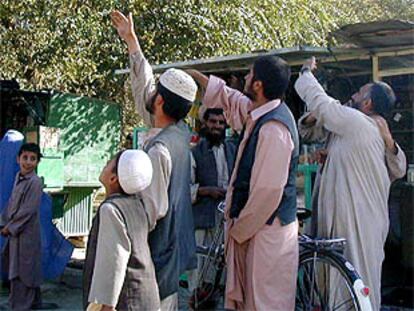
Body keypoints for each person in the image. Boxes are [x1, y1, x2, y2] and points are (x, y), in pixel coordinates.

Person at [187, 55, 299, 310]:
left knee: (265, 301)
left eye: (249, 75)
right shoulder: (260, 113)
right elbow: (231, 99)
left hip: (267, 232)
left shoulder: (273, 128)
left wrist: (239, 229)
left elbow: (268, 193)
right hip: (258, 230)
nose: (245, 79)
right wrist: (198, 77)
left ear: (258, 85)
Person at [294, 57, 407, 310]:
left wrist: (305, 72)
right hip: (352, 219)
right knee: (341, 283)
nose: (353, 95)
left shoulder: (357, 123)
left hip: (358, 221)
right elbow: (311, 128)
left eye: (359, 92)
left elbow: (323, 105)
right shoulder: (358, 127)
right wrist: (330, 157)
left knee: (356, 284)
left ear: (367, 103)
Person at [111, 11, 197, 310]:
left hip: (157, 261)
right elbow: (145, 88)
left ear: (160, 101)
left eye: (157, 92)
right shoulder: (179, 133)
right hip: (171, 259)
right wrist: (132, 41)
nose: (151, 93)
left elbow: (150, 211)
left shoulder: (160, 150)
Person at [83, 149, 160, 311]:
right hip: (145, 296)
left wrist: (106, 306)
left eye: (110, 161)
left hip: (128, 301)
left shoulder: (111, 209)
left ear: (113, 178)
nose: (106, 163)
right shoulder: (137, 204)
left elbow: (114, 261)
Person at [188, 108, 236, 291]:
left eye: (220, 123)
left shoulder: (232, 149)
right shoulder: (194, 152)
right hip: (203, 219)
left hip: (227, 218)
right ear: (205, 124)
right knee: (201, 272)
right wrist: (206, 191)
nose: (216, 126)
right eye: (213, 122)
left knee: (224, 273)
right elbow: (185, 188)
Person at [0, 143, 43, 311]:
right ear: (18, 159)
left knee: (24, 270)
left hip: (27, 234)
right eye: (25, 157)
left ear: (38, 162)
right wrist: (3, 222)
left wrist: (10, 228)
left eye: (33, 159)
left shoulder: (35, 182)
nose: (28, 162)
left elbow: (28, 210)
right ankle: (29, 304)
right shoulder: (19, 178)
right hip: (16, 234)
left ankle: (21, 306)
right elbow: (11, 204)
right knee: (15, 267)